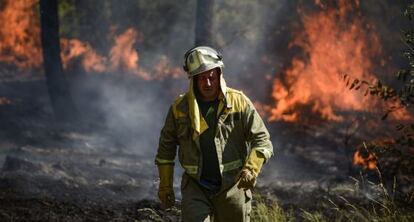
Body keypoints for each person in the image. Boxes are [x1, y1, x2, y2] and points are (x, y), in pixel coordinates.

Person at [155, 46, 273, 222]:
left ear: (219, 75)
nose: (208, 83)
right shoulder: (180, 109)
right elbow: (165, 152)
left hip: (233, 186)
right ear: (193, 80)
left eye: (211, 77)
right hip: (196, 186)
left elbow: (263, 140)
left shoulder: (239, 102)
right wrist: (165, 186)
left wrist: (251, 169)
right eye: (202, 78)